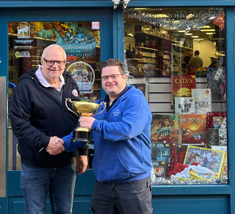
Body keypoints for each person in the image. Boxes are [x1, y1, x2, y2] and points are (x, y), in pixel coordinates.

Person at [8, 44, 89, 214]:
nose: (55, 66)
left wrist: (83, 151)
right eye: (50, 61)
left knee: (64, 211)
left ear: (65, 63)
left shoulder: (70, 83)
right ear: (41, 61)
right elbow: (19, 124)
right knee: (35, 212)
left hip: (65, 164)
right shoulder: (26, 87)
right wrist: (46, 142)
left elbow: (80, 119)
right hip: (36, 164)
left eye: (60, 62)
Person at [72, 58, 153, 214]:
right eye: (105, 77)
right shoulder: (99, 105)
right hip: (103, 184)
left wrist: (95, 124)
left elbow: (127, 130)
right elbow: (82, 131)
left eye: (114, 76)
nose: (109, 80)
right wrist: (58, 143)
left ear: (124, 77)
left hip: (132, 183)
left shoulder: (136, 101)